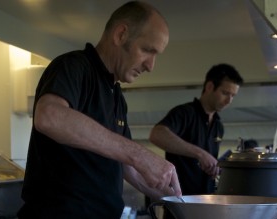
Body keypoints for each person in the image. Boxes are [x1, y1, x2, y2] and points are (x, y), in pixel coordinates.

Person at [17, 1, 181, 218]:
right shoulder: (73, 66)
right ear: (121, 34)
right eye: (147, 50)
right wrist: (139, 155)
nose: (150, 66)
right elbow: (49, 117)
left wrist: (173, 198)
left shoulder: (116, 95)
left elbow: (124, 163)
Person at [148, 64, 243, 218]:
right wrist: (200, 153)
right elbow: (157, 135)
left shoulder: (218, 125)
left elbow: (207, 163)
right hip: (180, 206)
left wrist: (214, 168)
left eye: (233, 96)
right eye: (225, 93)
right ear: (210, 86)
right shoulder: (184, 113)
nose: (229, 101)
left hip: (207, 206)